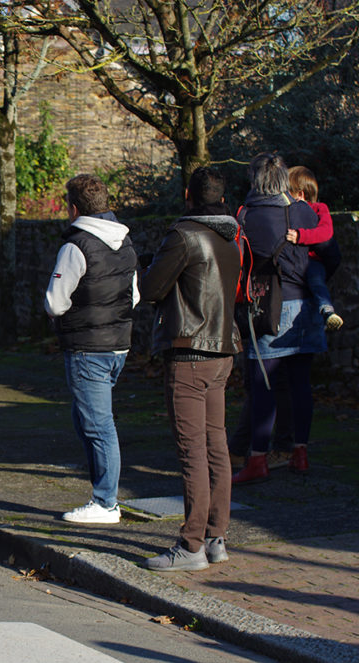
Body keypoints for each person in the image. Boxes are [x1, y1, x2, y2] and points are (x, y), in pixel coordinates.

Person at [139, 166, 242, 571]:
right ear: (222, 198)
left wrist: (147, 266)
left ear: (188, 194)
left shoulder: (183, 235)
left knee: (192, 450)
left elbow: (151, 289)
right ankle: (216, 537)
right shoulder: (231, 237)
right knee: (217, 445)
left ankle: (191, 545)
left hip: (189, 351)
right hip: (223, 349)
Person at [44, 174, 139, 525]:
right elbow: (134, 295)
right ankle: (103, 492)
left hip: (86, 347)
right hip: (119, 345)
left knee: (99, 426)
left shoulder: (76, 246)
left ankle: (106, 502)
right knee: (86, 418)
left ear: (73, 208)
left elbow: (55, 303)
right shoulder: (125, 241)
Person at [232, 153, 323, 483]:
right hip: (306, 305)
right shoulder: (303, 211)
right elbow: (330, 252)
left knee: (263, 386)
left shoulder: (245, 215)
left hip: (267, 305)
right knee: (301, 384)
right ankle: (300, 453)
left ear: (254, 180)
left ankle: (258, 459)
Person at [286, 166, 343, 331]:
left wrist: (301, 236)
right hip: (298, 262)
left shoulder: (319, 208)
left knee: (316, 280)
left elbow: (326, 233)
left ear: (300, 194)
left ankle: (327, 310)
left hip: (312, 259)